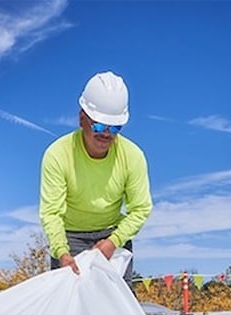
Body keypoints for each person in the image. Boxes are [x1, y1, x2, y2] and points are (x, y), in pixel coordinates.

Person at [39, 70, 153, 289]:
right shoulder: (57, 154)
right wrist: (62, 252)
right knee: (69, 305)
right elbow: (51, 212)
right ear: (82, 118)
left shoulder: (133, 156)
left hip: (113, 233)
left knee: (116, 302)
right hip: (69, 236)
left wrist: (113, 242)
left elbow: (141, 209)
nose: (106, 134)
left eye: (115, 128)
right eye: (99, 126)